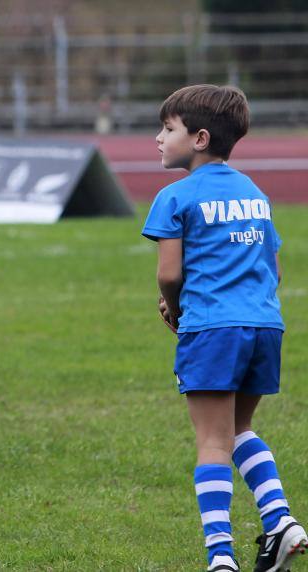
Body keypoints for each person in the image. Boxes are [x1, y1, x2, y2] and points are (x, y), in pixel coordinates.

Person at [143, 84, 307, 572]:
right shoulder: (253, 192)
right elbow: (273, 270)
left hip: (213, 327)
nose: (158, 138)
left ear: (198, 138)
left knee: (212, 442)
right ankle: (280, 521)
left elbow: (169, 274)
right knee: (239, 430)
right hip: (264, 325)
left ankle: (221, 557)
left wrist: (176, 310)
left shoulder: (174, 196)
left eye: (167, 129)